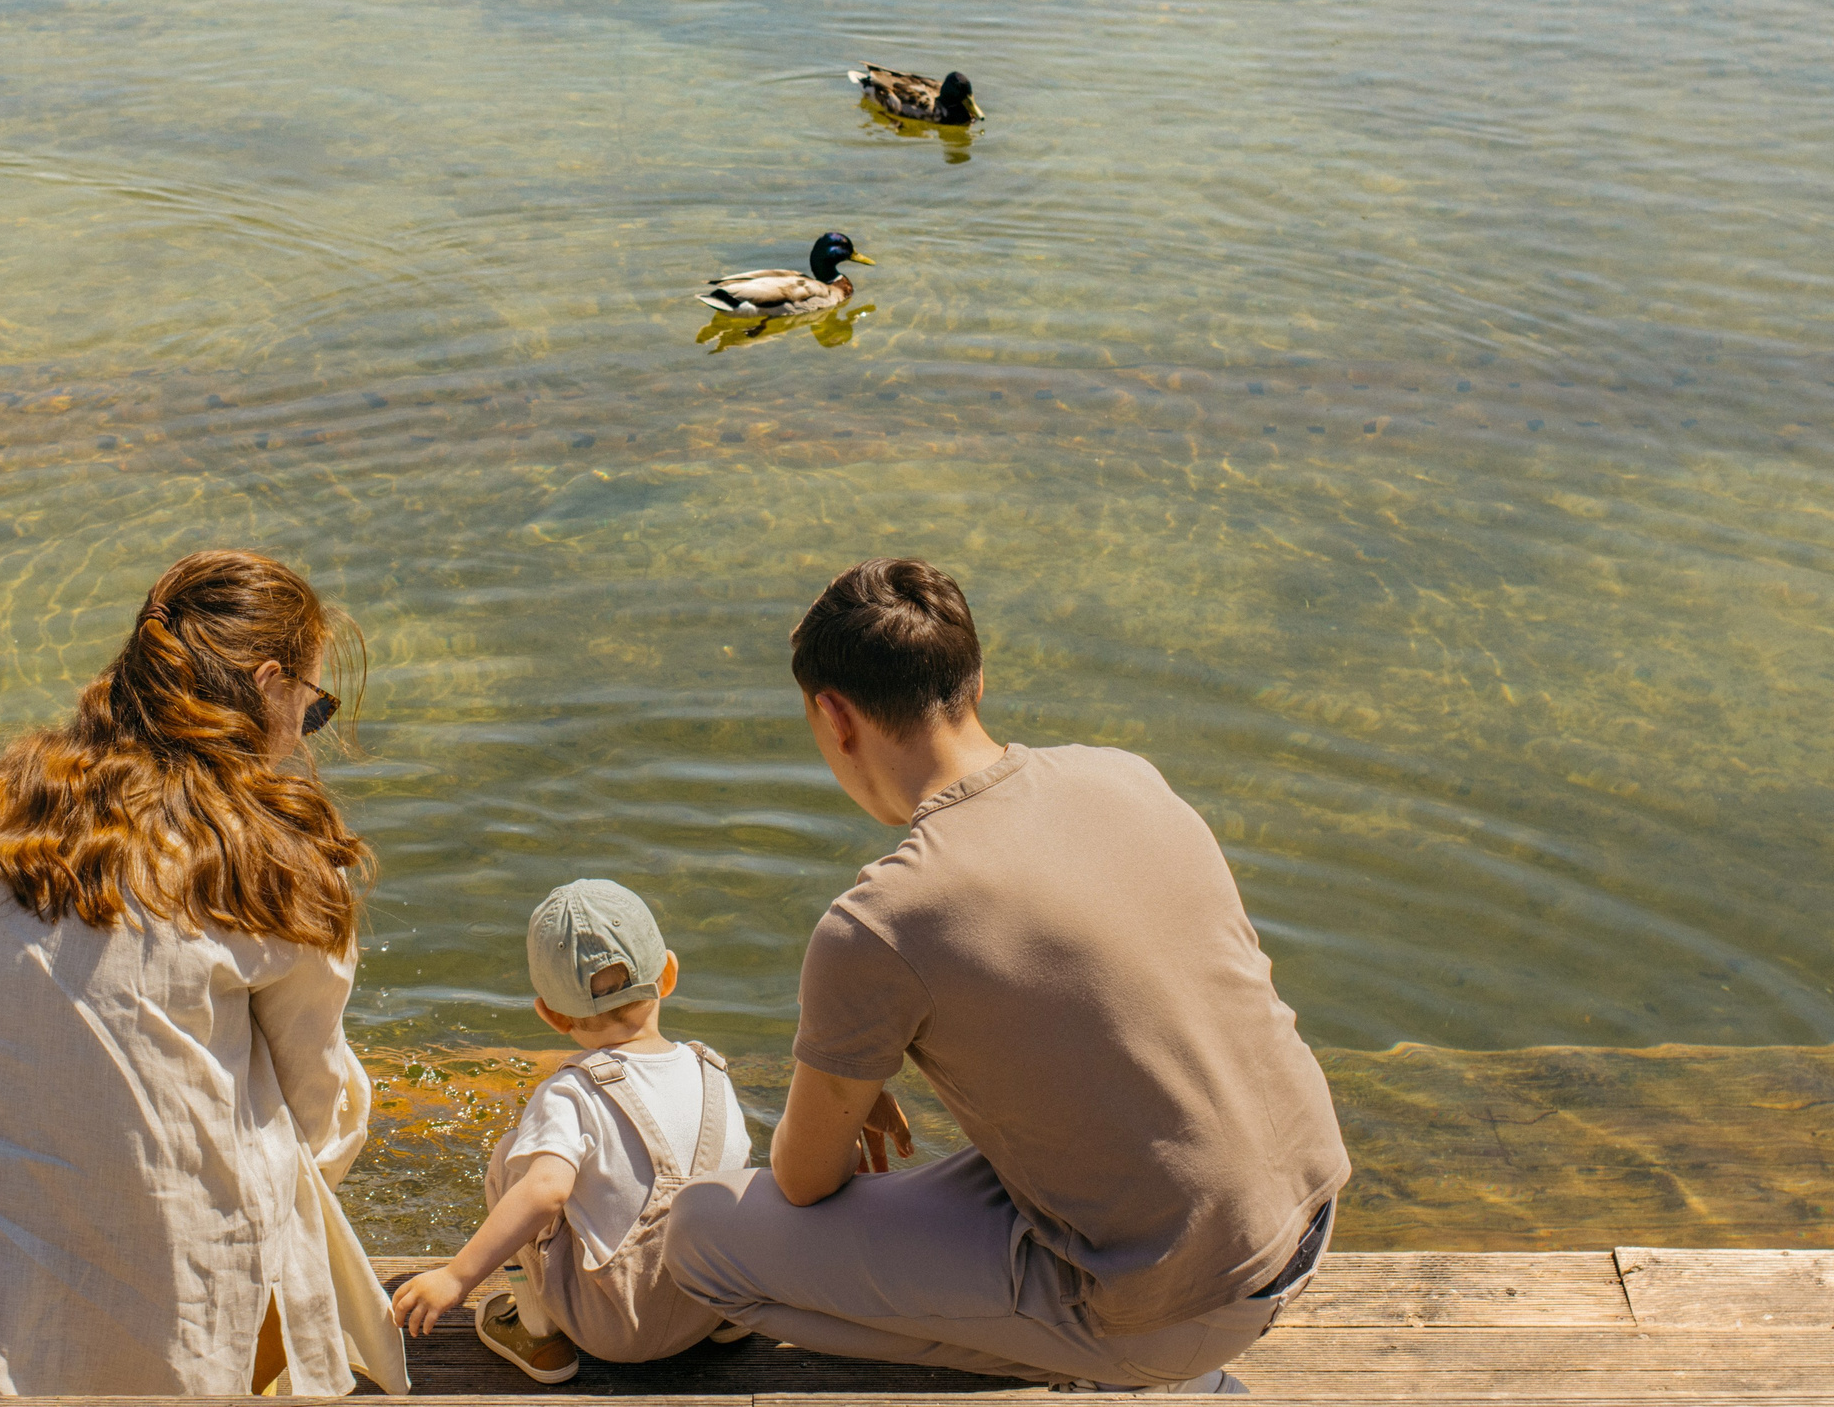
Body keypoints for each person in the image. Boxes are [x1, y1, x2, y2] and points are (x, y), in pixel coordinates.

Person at [664, 558, 1350, 1395]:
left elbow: (807, 1181)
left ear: (834, 717)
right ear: (976, 680)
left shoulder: (881, 919)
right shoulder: (1125, 775)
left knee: (701, 1236)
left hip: (1181, 1307)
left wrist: (837, 1086)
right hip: (1308, 1207)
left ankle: (1135, 1378)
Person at [0, 550, 408, 1398]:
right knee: (336, 1089)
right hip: (171, 1301)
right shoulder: (265, 856)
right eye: (313, 710)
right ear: (270, 684)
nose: (303, 734)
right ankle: (252, 1339)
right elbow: (312, 1103)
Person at [390, 880, 751, 1382]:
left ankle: (539, 1335)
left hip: (614, 1329)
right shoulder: (712, 1071)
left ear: (552, 1015)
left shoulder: (570, 1092)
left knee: (515, 1159)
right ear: (668, 974)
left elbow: (546, 1193)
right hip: (712, 1302)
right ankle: (730, 1326)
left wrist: (456, 1276)